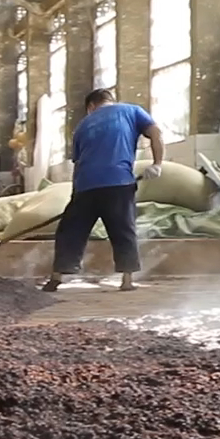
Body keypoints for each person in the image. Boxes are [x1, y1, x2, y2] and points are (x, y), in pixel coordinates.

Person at [44, 87, 165, 294]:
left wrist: (76, 196)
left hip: (85, 185)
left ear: (91, 106)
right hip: (118, 182)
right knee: (123, 230)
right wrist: (157, 163)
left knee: (70, 231)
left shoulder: (82, 126)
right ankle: (126, 281)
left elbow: (78, 164)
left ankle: (56, 278)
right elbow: (155, 133)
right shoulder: (132, 111)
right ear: (110, 100)